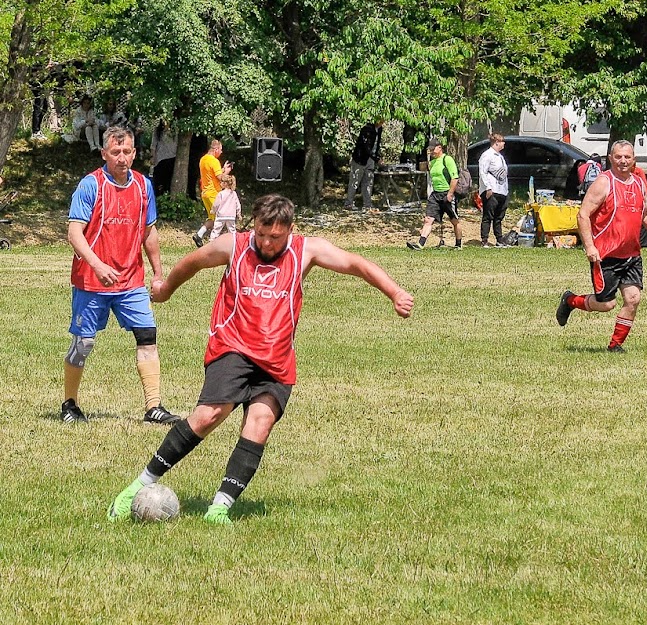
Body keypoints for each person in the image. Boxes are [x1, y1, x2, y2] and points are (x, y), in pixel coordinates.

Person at [106, 194, 414, 525]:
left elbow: (356, 264)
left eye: (275, 237)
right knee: (209, 415)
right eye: (261, 234)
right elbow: (193, 261)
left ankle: (219, 509)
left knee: (260, 423)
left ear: (290, 230)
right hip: (232, 347)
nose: (266, 243)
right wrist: (166, 287)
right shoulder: (233, 246)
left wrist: (395, 292)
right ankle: (138, 486)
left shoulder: (306, 250)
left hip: (277, 360)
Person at [61, 126, 180, 425]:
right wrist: (98, 266)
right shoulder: (91, 185)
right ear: (104, 154)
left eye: (127, 152)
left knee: (147, 337)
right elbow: (74, 233)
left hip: (131, 282)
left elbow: (148, 232)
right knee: (83, 344)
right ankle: (70, 404)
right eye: (115, 152)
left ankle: (153, 407)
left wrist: (158, 274)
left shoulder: (143, 186)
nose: (122, 158)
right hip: (91, 281)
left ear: (135, 153)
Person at [555, 140, 647, 352]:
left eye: (627, 157)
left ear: (634, 159)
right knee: (606, 304)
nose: (623, 161)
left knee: (633, 299)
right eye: (618, 157)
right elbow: (583, 215)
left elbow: (645, 213)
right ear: (610, 158)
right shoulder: (604, 183)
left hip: (631, 255)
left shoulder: (639, 183)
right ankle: (570, 300)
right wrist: (590, 247)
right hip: (605, 256)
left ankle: (615, 345)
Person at [406, 138, 464, 250]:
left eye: (433, 149)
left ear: (439, 147)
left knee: (454, 220)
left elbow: (454, 178)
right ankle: (420, 244)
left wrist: (450, 194)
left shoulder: (447, 159)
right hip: (435, 194)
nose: (431, 152)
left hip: (447, 193)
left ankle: (458, 244)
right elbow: (424, 169)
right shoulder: (432, 163)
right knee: (428, 219)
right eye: (430, 150)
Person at [193, 140, 232, 247]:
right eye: (220, 149)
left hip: (205, 193)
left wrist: (222, 169)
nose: (221, 152)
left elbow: (212, 175)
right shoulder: (214, 161)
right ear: (216, 149)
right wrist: (227, 173)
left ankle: (199, 235)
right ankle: (215, 243)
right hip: (213, 193)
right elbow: (220, 178)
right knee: (221, 218)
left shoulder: (203, 159)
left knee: (212, 218)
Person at [478, 133, 509, 247]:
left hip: (502, 191)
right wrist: (488, 188)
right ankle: (484, 240)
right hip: (492, 191)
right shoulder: (487, 155)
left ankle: (499, 240)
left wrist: (506, 190)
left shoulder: (500, 156)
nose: (504, 143)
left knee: (498, 217)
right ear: (496, 142)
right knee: (488, 216)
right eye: (502, 141)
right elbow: (483, 172)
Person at [344, 120, 384, 211]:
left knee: (368, 181)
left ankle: (367, 204)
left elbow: (376, 145)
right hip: (360, 159)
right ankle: (348, 203)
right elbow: (367, 147)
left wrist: (377, 156)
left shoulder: (380, 129)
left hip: (371, 159)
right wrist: (377, 159)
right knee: (355, 181)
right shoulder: (367, 129)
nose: (382, 122)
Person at [210, 174, 241, 240]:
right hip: (231, 216)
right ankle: (234, 241)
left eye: (221, 182)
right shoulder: (233, 193)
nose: (220, 183)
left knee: (216, 229)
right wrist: (239, 213)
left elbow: (216, 204)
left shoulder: (221, 194)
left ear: (225, 183)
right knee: (232, 230)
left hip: (221, 215)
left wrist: (213, 210)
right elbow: (237, 204)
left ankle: (212, 241)